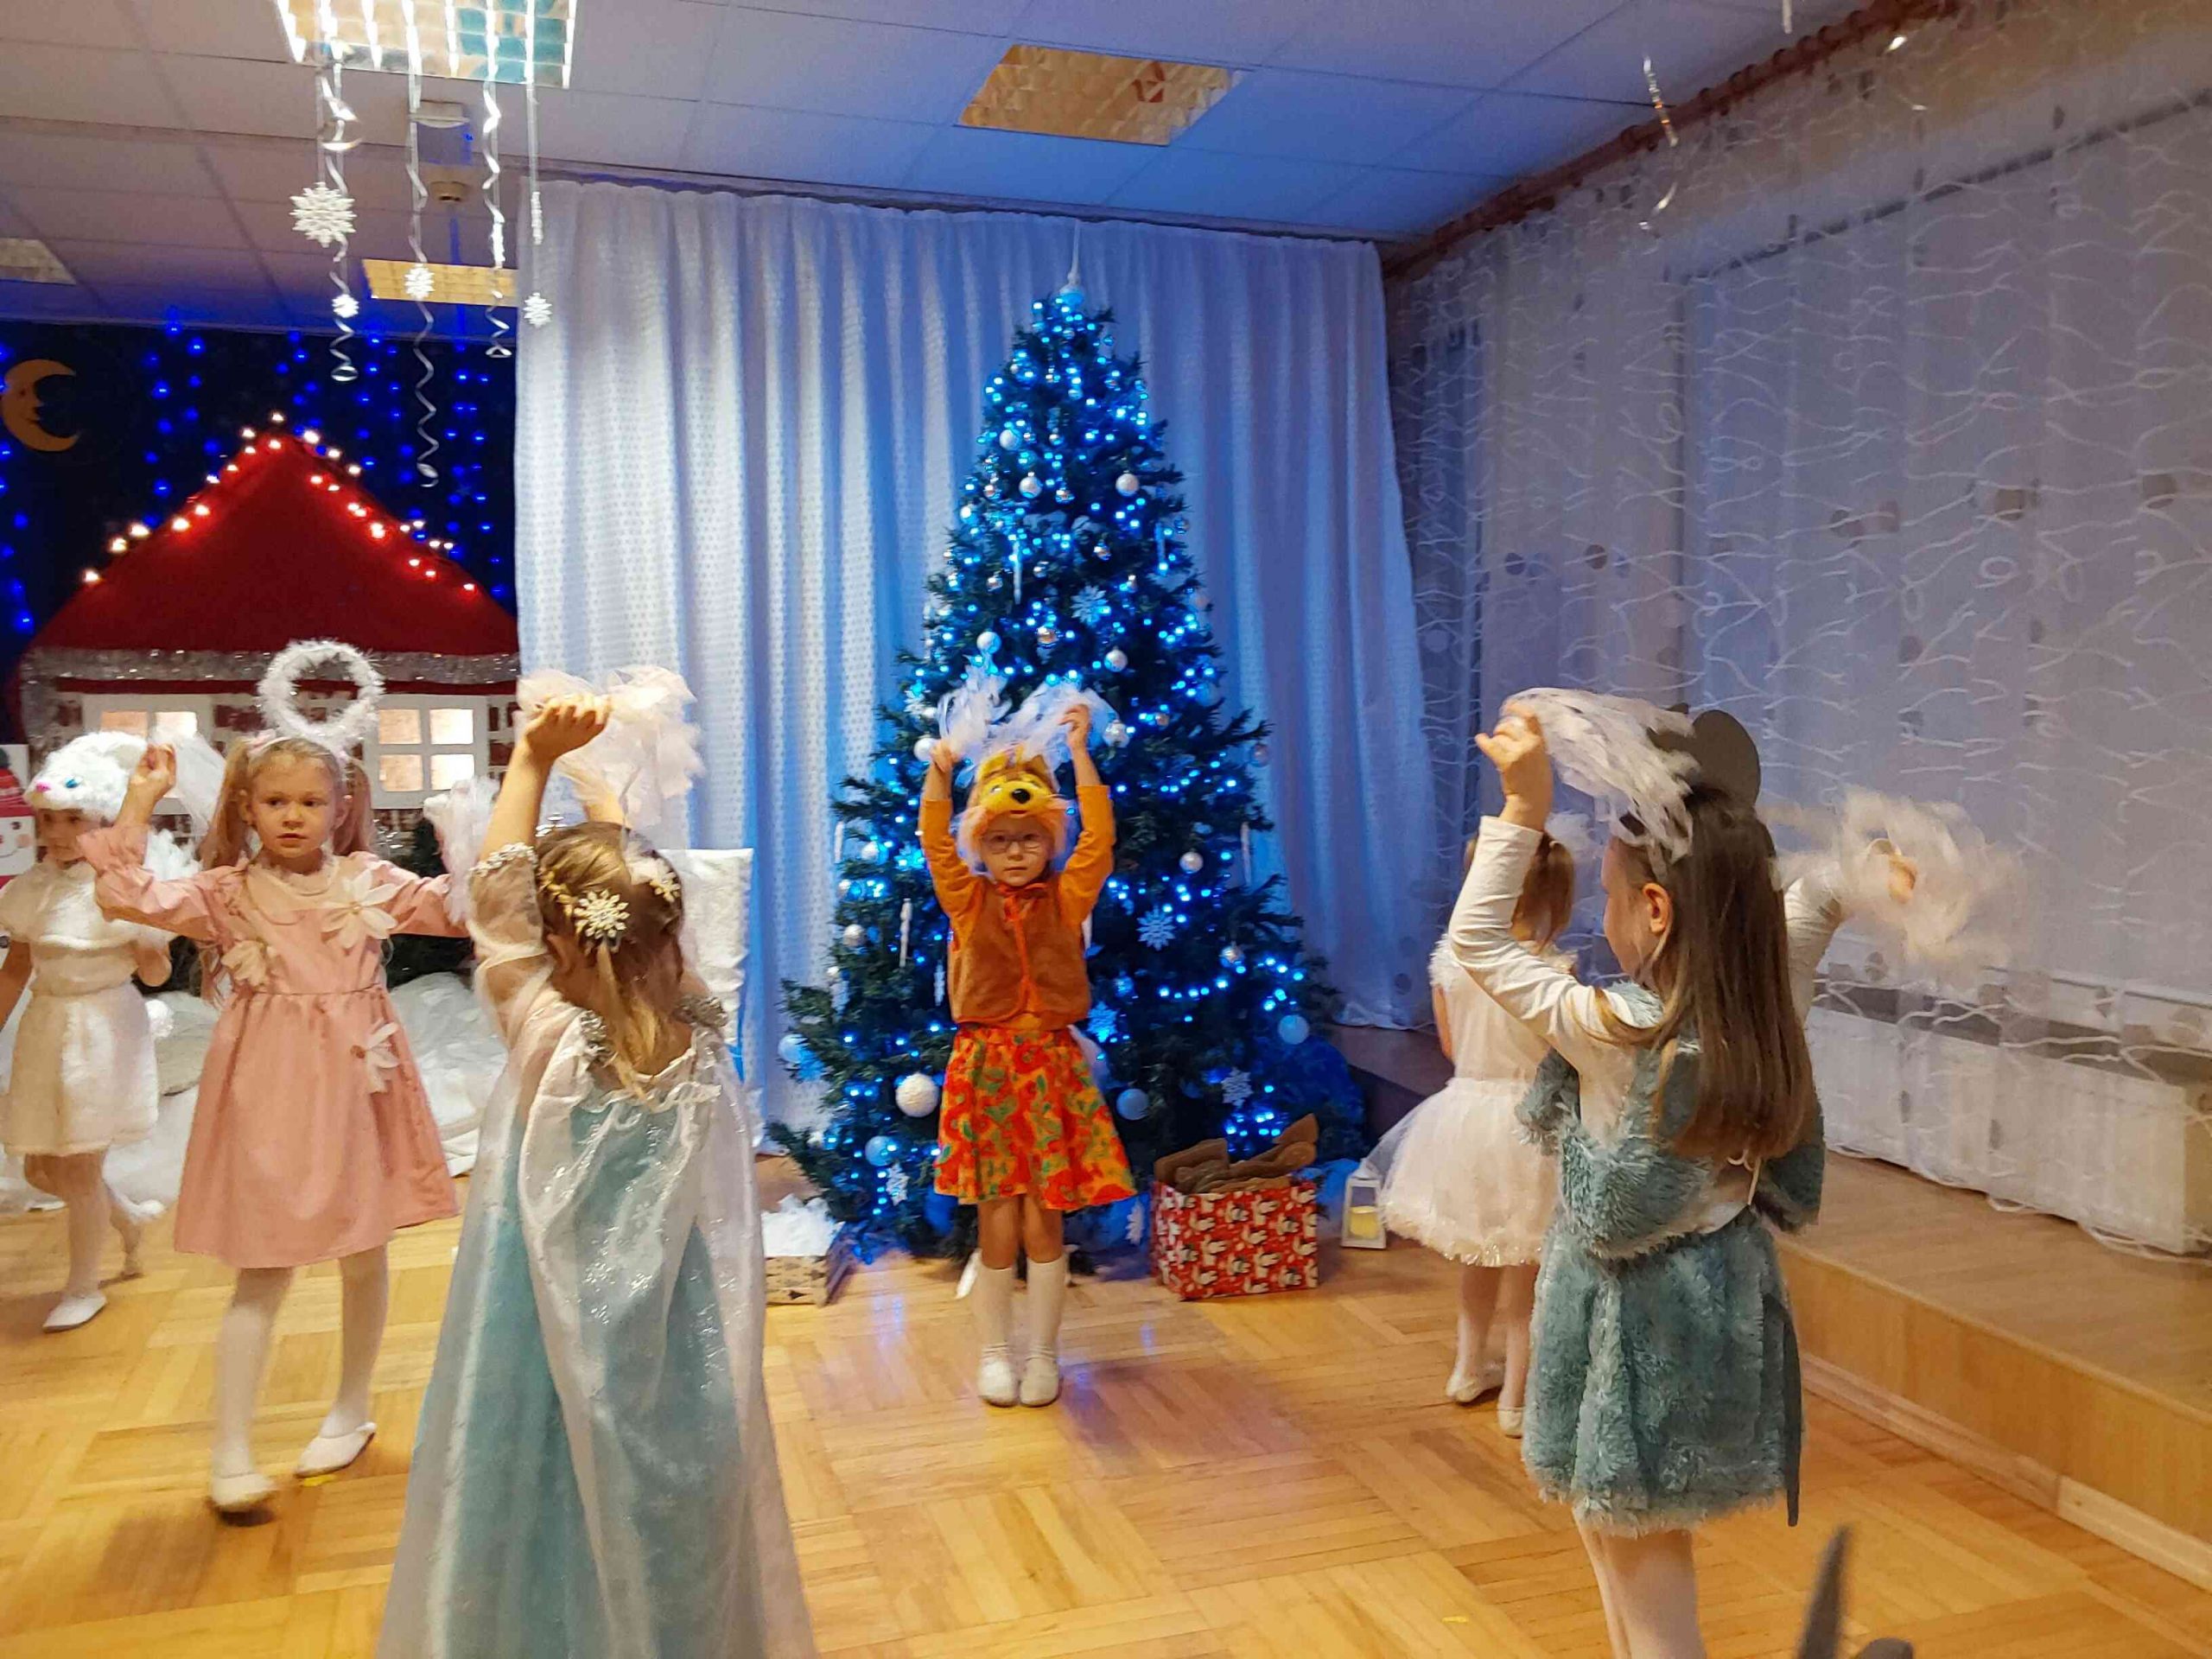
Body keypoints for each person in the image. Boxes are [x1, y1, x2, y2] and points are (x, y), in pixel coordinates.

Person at [1452, 704, 1908, 1659]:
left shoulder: (1619, 1029)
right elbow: (1811, 905)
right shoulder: (1761, 1003)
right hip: (1704, 1307)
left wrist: (1522, 808)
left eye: (1611, 899)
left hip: (1643, 1325)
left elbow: (1480, 943)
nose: (1603, 917)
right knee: (1614, 1530)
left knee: (1640, 1560)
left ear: (1654, 912)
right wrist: (1867, 874)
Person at [378, 695, 813, 1659]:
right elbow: (626, 923)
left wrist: (532, 761)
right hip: (667, 1318)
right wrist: (611, 818)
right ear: (667, 942)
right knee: (663, 1475)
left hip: (540, 1310)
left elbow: (496, 905)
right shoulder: (700, 1031)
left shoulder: (548, 1039)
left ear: (562, 945)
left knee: (541, 1473)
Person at [85, 729, 465, 1513]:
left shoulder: (367, 880)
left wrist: (466, 837)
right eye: (276, 801)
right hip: (271, 1091)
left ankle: (351, 1408)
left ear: (340, 808)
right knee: (263, 1266)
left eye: (311, 801)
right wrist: (141, 799)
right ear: (249, 808)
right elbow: (124, 896)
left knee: (364, 1247)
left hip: (360, 1086)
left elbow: (463, 911)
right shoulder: (227, 893)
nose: (293, 816)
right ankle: (229, 1451)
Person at [922, 694, 1135, 1408]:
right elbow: (934, 842)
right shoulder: (966, 899)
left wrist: (1080, 757)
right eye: (1001, 840)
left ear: (1050, 841)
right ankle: (995, 1354)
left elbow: (1100, 839)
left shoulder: (1067, 898)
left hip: (1050, 1070)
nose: (1016, 853)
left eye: (1030, 839)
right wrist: (940, 775)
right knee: (997, 1219)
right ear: (980, 845)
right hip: (986, 1071)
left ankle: (1044, 1356)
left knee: (1047, 1220)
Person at [1374, 827, 1574, 1425]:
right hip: (1531, 1123)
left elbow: (1450, 1045)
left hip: (1464, 1114)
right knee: (1526, 1264)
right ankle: (1517, 1396)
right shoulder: (1551, 970)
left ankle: (1467, 1369)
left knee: (1477, 1253)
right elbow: (1561, 1056)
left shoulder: (1451, 959)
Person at [0, 734, 177, 1331]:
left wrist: (145, 936)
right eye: (48, 819)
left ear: (100, 821)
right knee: (40, 1168)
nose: (57, 833)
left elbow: (157, 973)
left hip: (103, 1030)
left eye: (73, 819)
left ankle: (83, 1286)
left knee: (78, 1168)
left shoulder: (120, 889)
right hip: (46, 1027)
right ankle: (125, 1216)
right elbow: (16, 969)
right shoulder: (31, 890)